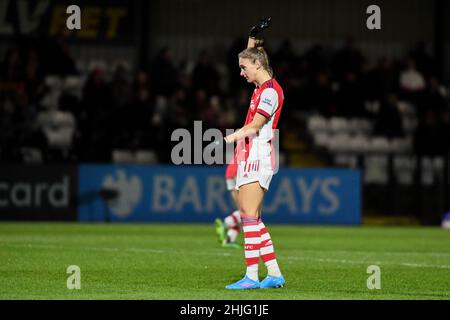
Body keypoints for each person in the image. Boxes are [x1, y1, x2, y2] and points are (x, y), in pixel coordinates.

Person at [215, 17, 286, 289]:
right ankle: (274, 273)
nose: (241, 72)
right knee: (253, 217)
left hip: (259, 156)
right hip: (252, 156)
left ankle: (252, 277)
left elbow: (256, 124)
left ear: (257, 66)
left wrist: (230, 136)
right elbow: (254, 56)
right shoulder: (261, 86)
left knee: (247, 215)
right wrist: (252, 37)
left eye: (244, 68)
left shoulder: (269, 92)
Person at [215, 161, 242, 249]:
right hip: (240, 170)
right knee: (249, 210)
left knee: (243, 210)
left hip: (231, 170)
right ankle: (225, 224)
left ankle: (229, 240)